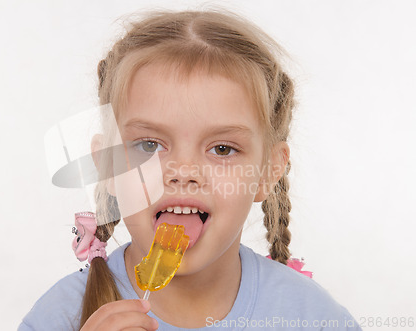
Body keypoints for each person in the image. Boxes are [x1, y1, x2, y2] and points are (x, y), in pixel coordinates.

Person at [19, 9, 362, 331]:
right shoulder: (62, 315)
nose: (184, 171)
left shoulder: (310, 317)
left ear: (268, 172)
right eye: (149, 145)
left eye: (222, 149)